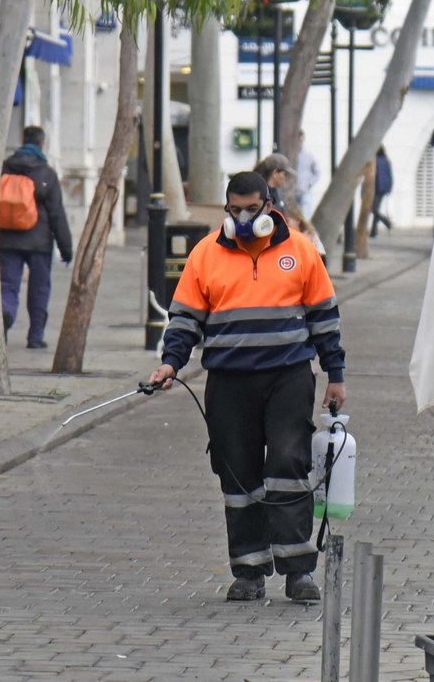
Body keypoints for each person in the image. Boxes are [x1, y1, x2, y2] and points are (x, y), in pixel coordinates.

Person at [145, 171, 346, 603]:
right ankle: (249, 571)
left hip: (289, 376)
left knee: (288, 466)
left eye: (252, 209)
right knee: (238, 474)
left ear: (269, 206)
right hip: (229, 381)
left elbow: (324, 319)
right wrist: (170, 363)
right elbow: (185, 319)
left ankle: (298, 571)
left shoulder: (300, 250)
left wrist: (336, 375)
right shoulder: (205, 254)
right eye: (235, 210)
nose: (243, 218)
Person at [0, 126, 73, 349]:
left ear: (22, 140)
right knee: (39, 289)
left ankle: (5, 314)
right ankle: (35, 336)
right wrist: (66, 248)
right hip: (39, 242)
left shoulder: (4, 167)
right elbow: (57, 213)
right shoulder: (46, 173)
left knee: (7, 284)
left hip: (7, 238)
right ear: (42, 144)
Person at [293, 131, 321, 218]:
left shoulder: (309, 156)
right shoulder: (292, 154)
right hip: (293, 192)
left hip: (305, 192)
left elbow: (317, 172)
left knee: (305, 215)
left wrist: (309, 183)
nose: (300, 143)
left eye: (301, 140)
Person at [370, 146, 393, 237]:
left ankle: (387, 223)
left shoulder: (376, 161)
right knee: (376, 209)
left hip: (377, 188)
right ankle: (373, 231)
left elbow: (375, 176)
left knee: (374, 210)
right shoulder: (386, 161)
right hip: (384, 189)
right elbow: (389, 176)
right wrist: (389, 189)